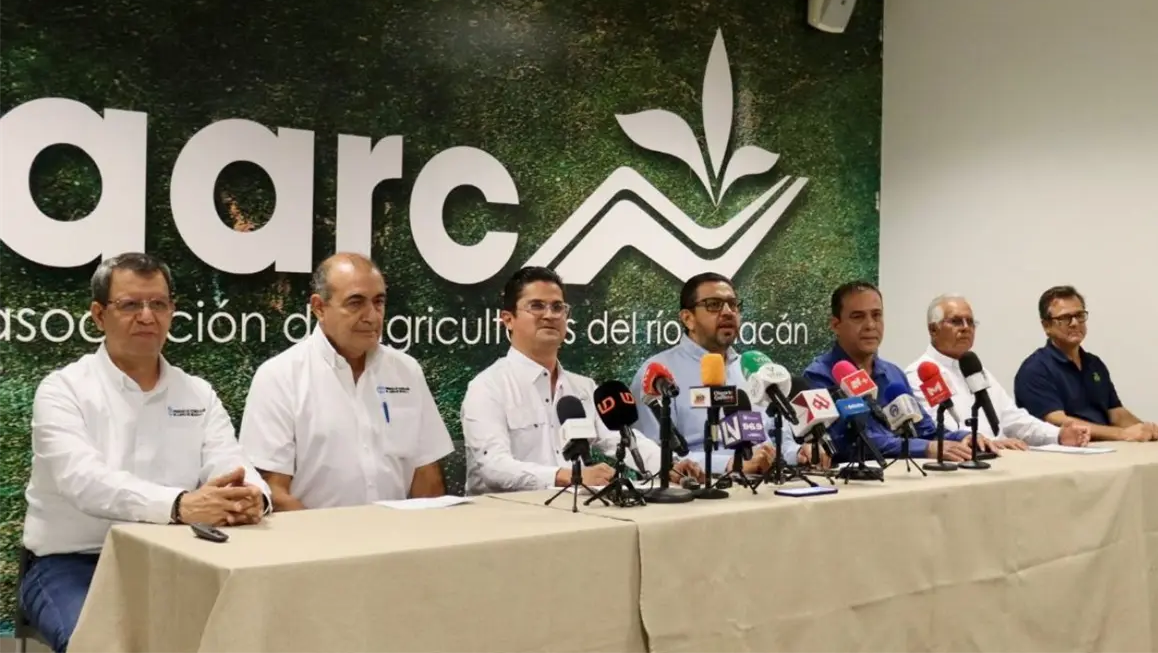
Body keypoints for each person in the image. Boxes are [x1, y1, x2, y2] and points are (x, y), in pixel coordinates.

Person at [20, 253, 270, 653]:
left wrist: (253, 496)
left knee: (253, 635)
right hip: (74, 563)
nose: (147, 317)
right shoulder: (63, 390)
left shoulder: (198, 393)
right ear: (99, 315)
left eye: (158, 304)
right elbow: (83, 481)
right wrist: (179, 505)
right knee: (105, 647)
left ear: (172, 311)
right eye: (130, 305)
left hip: (181, 556)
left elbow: (229, 461)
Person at [240, 253, 453, 510]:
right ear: (319, 307)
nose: (372, 316)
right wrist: (328, 535)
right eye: (355, 303)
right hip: (314, 533)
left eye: (378, 302)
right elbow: (272, 491)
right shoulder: (279, 377)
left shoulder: (406, 371)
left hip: (399, 532)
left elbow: (427, 474)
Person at [461, 267, 702, 494]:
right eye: (536, 306)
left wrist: (668, 465)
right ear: (508, 319)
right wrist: (569, 476)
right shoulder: (488, 387)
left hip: (575, 511)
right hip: (507, 515)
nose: (549, 315)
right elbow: (493, 466)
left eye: (558, 307)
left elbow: (621, 438)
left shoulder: (582, 388)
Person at [630, 272, 807, 475]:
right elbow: (654, 454)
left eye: (733, 304)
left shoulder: (752, 368)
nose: (728, 312)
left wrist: (798, 453)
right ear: (688, 318)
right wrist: (730, 464)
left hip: (768, 481)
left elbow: (778, 440)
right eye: (714, 305)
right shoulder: (657, 375)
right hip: (701, 487)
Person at [803, 281, 987, 463]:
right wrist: (925, 448)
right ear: (835, 325)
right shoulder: (818, 376)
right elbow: (848, 443)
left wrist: (963, 437)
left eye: (877, 315)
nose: (870, 325)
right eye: (858, 317)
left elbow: (925, 430)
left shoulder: (893, 374)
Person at [905, 294, 1090, 449]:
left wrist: (1058, 435)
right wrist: (990, 442)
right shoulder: (921, 373)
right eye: (956, 321)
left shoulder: (975, 368)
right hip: (963, 464)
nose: (966, 328)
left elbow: (1012, 418)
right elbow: (939, 428)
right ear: (933, 329)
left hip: (1000, 458)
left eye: (970, 322)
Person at [1014, 285, 1158, 442]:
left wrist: (1144, 428)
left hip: (1110, 447)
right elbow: (1058, 421)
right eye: (1065, 318)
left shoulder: (1094, 364)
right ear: (1047, 326)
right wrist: (1122, 434)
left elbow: (1116, 413)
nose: (1074, 323)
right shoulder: (1035, 369)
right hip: (1067, 451)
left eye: (1079, 315)